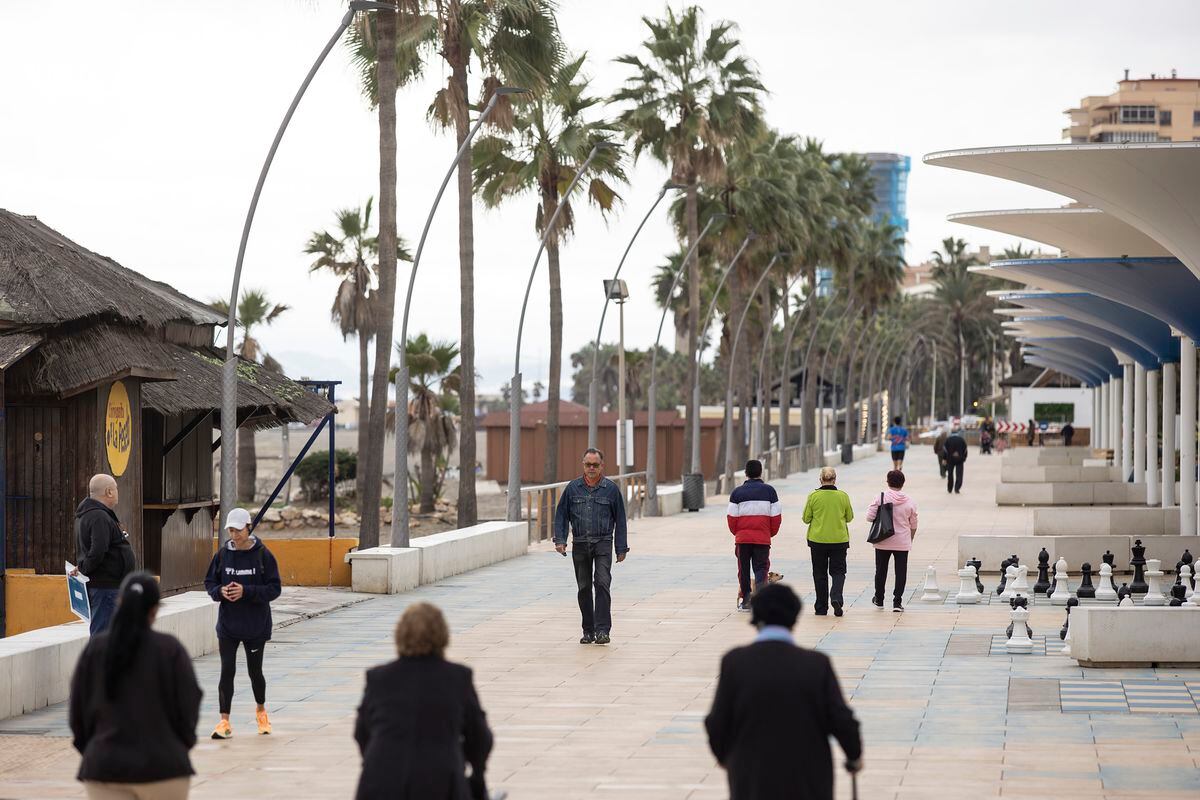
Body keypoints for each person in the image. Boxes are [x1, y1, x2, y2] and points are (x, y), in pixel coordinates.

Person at [705, 583, 862, 800]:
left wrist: (729, 758)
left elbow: (716, 722)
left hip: (751, 778)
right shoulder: (816, 665)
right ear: (794, 617)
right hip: (807, 779)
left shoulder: (735, 663)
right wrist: (854, 755)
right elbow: (841, 719)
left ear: (756, 617)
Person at [69, 571, 203, 800]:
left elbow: (78, 711)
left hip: (105, 768)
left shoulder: (95, 650)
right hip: (164, 769)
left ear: (120, 602)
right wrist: (178, 746)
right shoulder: (170, 650)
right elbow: (189, 705)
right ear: (155, 610)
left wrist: (94, 749)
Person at [354, 603, 493, 800]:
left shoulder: (379, 678)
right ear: (442, 635)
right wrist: (476, 774)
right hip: (441, 783)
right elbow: (480, 737)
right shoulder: (457, 678)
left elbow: (362, 733)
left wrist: (378, 762)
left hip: (380, 783)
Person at [203, 507, 282, 739]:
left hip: (255, 625)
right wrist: (221, 592)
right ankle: (224, 721)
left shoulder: (263, 555)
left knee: (254, 671)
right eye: (230, 530)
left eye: (238, 530)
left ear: (249, 527)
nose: (234, 535)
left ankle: (261, 711)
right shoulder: (223, 555)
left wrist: (246, 591)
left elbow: (274, 588)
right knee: (227, 670)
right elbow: (209, 582)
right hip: (228, 625)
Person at [553, 448, 629, 645]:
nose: (592, 468)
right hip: (579, 544)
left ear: (602, 466)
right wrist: (560, 540)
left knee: (602, 584)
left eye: (596, 465)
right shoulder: (572, 488)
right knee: (584, 587)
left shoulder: (611, 489)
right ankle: (588, 630)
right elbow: (561, 515)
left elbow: (620, 519)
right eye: (588, 464)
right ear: (583, 465)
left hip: (603, 543)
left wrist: (621, 547)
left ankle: (603, 630)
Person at [75, 473, 136, 635]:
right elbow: (97, 551)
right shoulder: (98, 516)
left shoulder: (96, 514)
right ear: (109, 492)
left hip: (110, 587)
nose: (117, 492)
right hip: (105, 588)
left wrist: (81, 567)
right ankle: (98, 660)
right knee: (103, 633)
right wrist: (83, 568)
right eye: (116, 489)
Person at [726, 459, 782, 612]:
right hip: (762, 539)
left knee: (743, 570)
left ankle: (746, 601)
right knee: (761, 570)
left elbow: (731, 519)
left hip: (742, 540)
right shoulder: (770, 491)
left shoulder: (736, 493)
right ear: (760, 472)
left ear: (746, 473)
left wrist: (738, 533)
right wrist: (769, 533)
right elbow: (776, 517)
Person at [802, 467, 854, 617]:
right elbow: (849, 517)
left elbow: (806, 519)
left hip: (817, 540)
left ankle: (821, 607)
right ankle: (836, 597)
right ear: (835, 479)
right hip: (839, 540)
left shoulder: (813, 496)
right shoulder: (843, 496)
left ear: (820, 480)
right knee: (838, 572)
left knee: (819, 573)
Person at [866, 470, 919, 612]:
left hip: (883, 540)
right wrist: (910, 538)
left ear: (888, 482)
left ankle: (879, 599)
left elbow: (869, 517)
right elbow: (914, 524)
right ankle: (897, 602)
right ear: (903, 483)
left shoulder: (880, 497)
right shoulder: (910, 501)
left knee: (881, 570)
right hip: (902, 542)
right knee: (901, 572)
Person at [944, 427, 968, 494]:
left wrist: (944, 458)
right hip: (959, 460)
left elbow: (945, 450)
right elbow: (965, 450)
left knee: (950, 474)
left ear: (951, 432)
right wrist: (964, 458)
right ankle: (957, 488)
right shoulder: (961, 440)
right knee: (959, 474)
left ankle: (949, 488)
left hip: (950, 460)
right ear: (957, 432)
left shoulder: (948, 440)